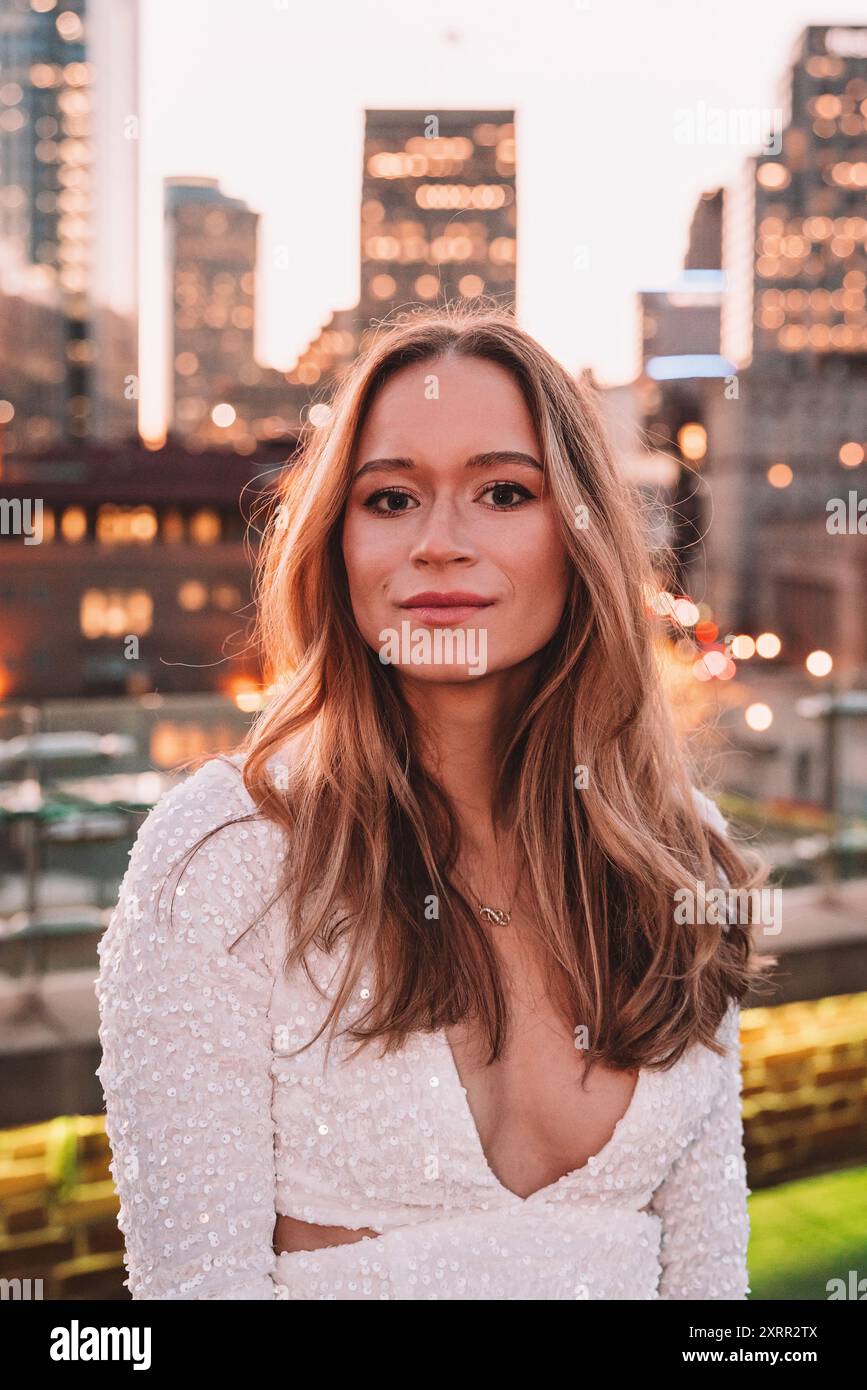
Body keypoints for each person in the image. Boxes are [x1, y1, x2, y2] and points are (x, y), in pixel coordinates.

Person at [95, 303, 773, 1300]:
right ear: (339, 542)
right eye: (391, 498)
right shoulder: (225, 860)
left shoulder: (676, 859)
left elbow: (713, 1294)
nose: (441, 543)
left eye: (502, 491)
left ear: (578, 530)